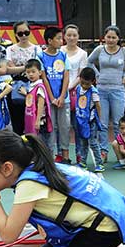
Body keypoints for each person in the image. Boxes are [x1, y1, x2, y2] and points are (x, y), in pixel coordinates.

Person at [89, 25, 125, 162]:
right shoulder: (99, 50)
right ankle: (103, 151)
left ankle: (122, 151)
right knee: (103, 122)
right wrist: (97, 74)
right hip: (101, 90)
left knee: (119, 123)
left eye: (114, 37)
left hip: (118, 90)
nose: (111, 40)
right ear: (104, 37)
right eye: (108, 37)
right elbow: (89, 62)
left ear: (118, 38)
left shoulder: (124, 51)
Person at [6, 20, 43, 135]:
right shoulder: (10, 49)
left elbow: (38, 69)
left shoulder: (37, 49)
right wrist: (28, 68)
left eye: (26, 32)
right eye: (20, 33)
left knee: (31, 121)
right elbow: (9, 69)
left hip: (33, 88)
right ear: (15, 34)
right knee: (17, 122)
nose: (23, 36)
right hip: (15, 88)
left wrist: (19, 69)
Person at [41, 27, 70, 163]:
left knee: (64, 126)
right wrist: (52, 98)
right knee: (51, 127)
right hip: (48, 100)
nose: (61, 41)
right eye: (58, 38)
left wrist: (62, 96)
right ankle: (51, 156)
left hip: (64, 99)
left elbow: (66, 75)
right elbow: (44, 78)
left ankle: (65, 155)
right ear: (49, 40)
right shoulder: (41, 56)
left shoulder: (63, 55)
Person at [71, 67, 104, 172]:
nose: (85, 86)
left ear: (93, 81)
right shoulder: (78, 89)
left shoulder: (93, 91)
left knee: (93, 143)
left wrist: (99, 118)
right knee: (83, 143)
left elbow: (98, 105)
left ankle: (99, 163)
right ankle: (83, 162)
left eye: (87, 84)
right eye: (83, 83)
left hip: (91, 122)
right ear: (79, 79)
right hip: (81, 121)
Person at [21, 58, 51, 140]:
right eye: (28, 72)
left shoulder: (39, 87)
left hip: (39, 121)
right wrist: (26, 94)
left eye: (33, 72)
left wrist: (37, 121)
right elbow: (32, 99)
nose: (31, 74)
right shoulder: (31, 86)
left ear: (40, 72)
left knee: (39, 144)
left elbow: (40, 104)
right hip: (31, 119)